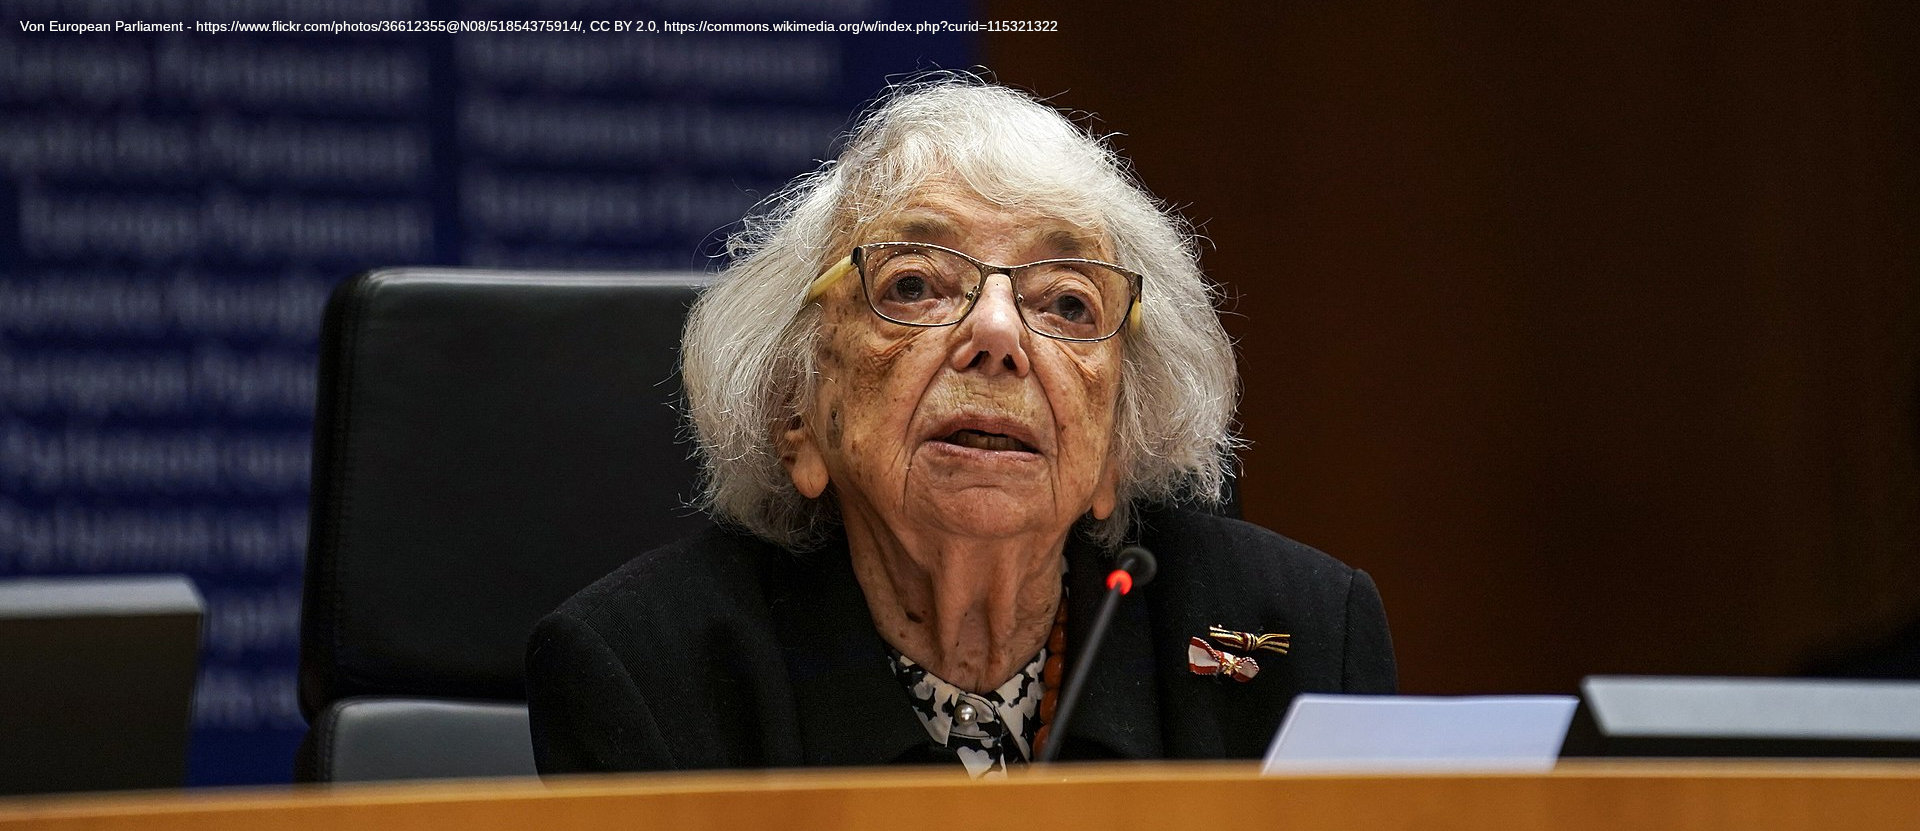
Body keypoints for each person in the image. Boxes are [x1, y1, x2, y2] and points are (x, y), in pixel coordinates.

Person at [526, 78, 1396, 778]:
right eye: (914, 284)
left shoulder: (1303, 640)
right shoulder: (647, 672)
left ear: (1117, 446)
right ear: (796, 411)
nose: (998, 336)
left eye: (1065, 300)